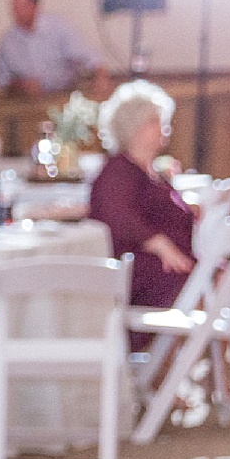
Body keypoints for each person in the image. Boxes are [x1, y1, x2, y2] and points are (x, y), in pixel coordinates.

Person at [88, 80, 196, 352]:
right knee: (195, 284)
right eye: (153, 122)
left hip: (166, 262)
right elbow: (120, 218)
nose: (163, 127)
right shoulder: (118, 172)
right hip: (136, 271)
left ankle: (212, 377)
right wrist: (162, 245)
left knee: (211, 276)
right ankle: (166, 380)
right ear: (133, 128)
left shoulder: (152, 171)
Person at [0, 0, 110, 98]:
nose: (17, 12)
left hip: (62, 96)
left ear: (35, 6)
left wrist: (100, 77)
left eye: (22, 7)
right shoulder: (7, 41)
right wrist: (21, 84)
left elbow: (89, 57)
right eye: (14, 7)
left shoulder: (58, 27)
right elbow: (3, 80)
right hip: (27, 102)